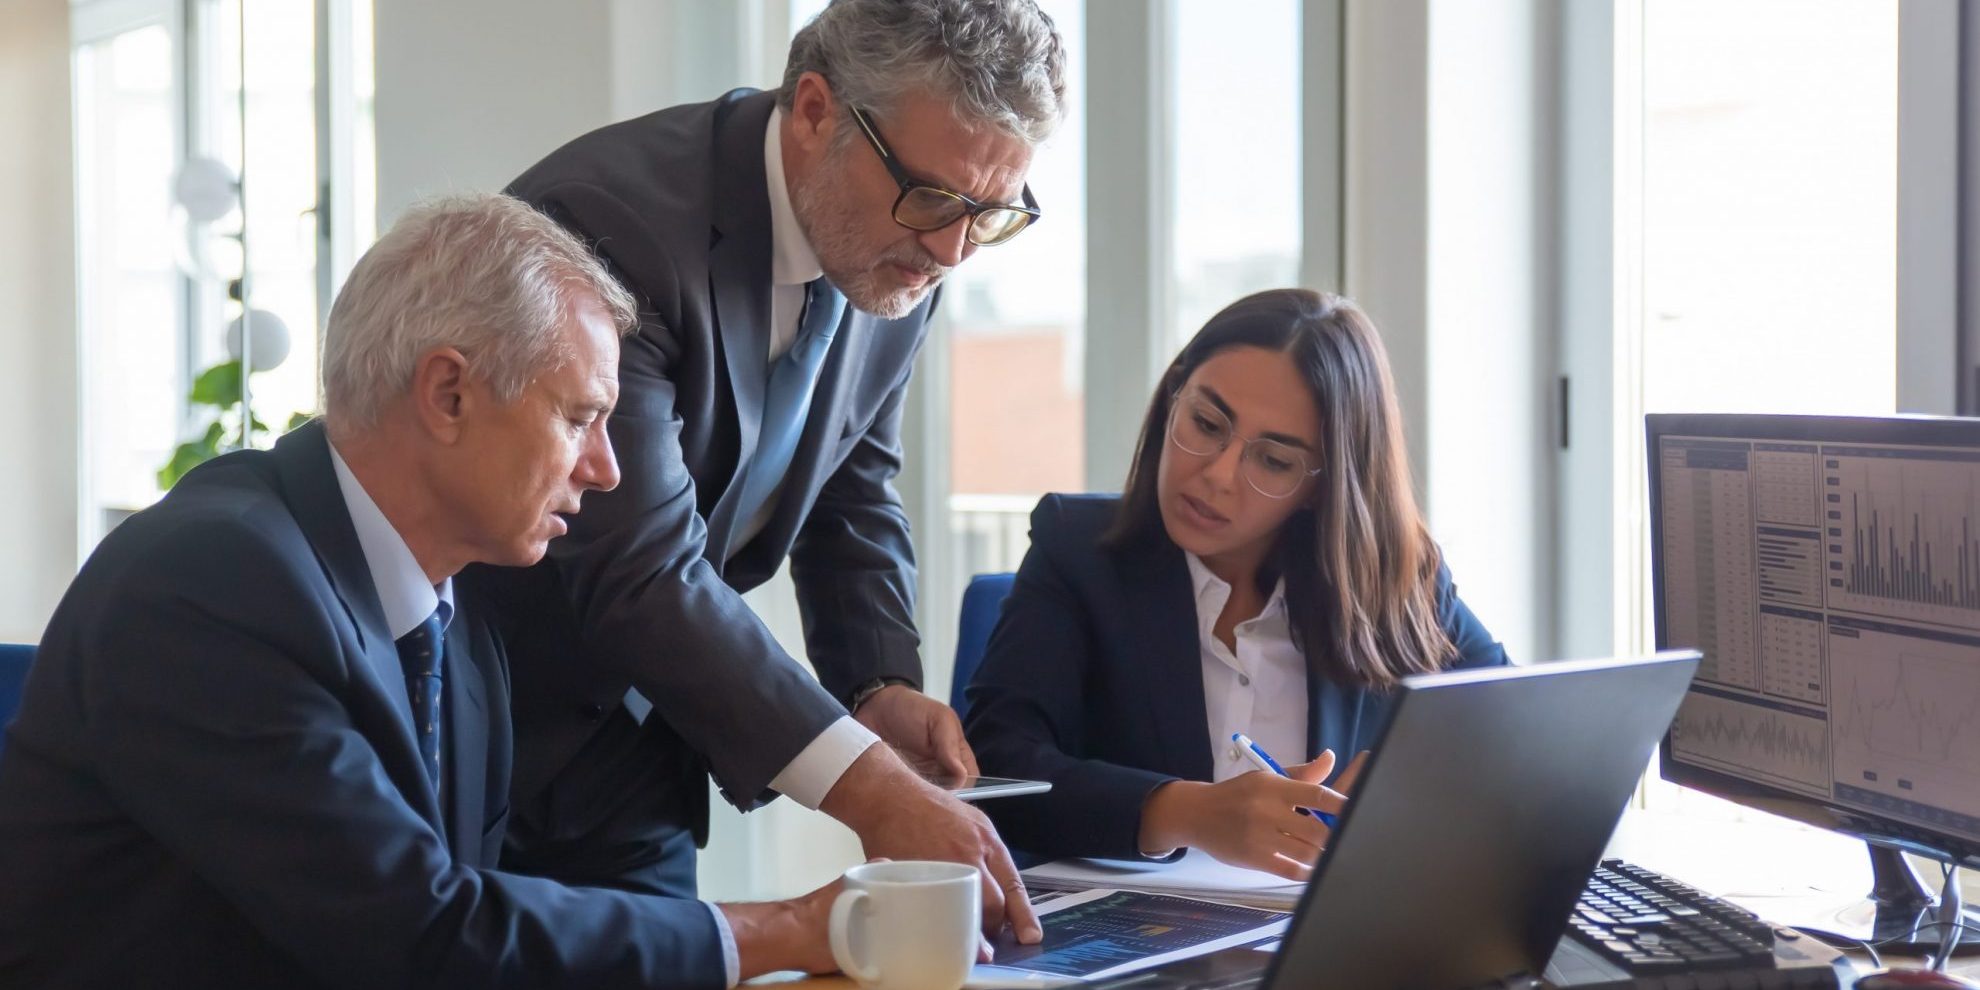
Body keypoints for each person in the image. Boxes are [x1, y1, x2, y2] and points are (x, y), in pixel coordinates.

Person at [0, 194, 846, 987]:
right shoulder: (206, 582)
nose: (606, 470)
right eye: (580, 418)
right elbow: (415, 932)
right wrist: (782, 931)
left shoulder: (460, 620)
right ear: (448, 393)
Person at [473, 0, 1064, 938]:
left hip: (640, 745)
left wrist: (878, 687)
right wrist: (864, 789)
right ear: (818, 110)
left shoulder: (905, 249)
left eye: (990, 215)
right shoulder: (610, 226)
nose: (951, 252)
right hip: (482, 726)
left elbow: (852, 487)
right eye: (937, 200)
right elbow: (638, 568)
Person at [962, 289, 1512, 880]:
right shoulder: (1076, 551)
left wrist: (1413, 781)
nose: (1217, 474)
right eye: (1206, 423)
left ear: (1323, 486)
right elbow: (997, 769)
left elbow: (1516, 730)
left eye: (1273, 461)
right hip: (1135, 943)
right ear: (1173, 395)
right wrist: (1185, 812)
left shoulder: (1393, 576)